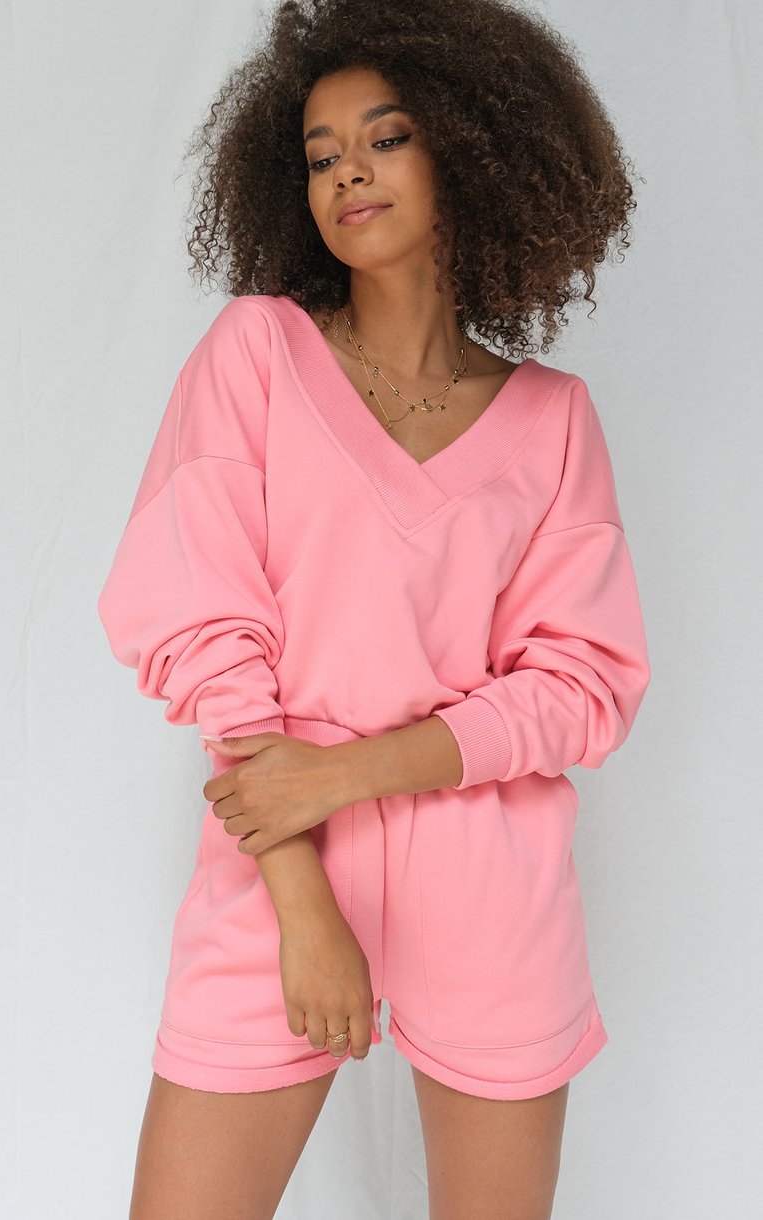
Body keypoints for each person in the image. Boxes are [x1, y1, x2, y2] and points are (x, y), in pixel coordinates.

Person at [97, 0, 651, 1215]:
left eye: (385, 137)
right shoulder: (254, 353)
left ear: (473, 148)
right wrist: (304, 907)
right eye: (319, 153)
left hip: (490, 890)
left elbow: (580, 684)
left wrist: (351, 770)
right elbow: (204, 627)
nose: (346, 169)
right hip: (276, 867)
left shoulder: (552, 419)